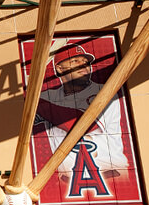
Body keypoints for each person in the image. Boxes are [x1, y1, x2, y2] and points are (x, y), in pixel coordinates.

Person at [33, 43, 129, 183]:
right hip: (67, 181)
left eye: (85, 62)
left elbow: (83, 125)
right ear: (59, 69)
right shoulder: (48, 97)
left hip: (111, 176)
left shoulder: (104, 91)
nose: (83, 65)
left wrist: (41, 106)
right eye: (75, 61)